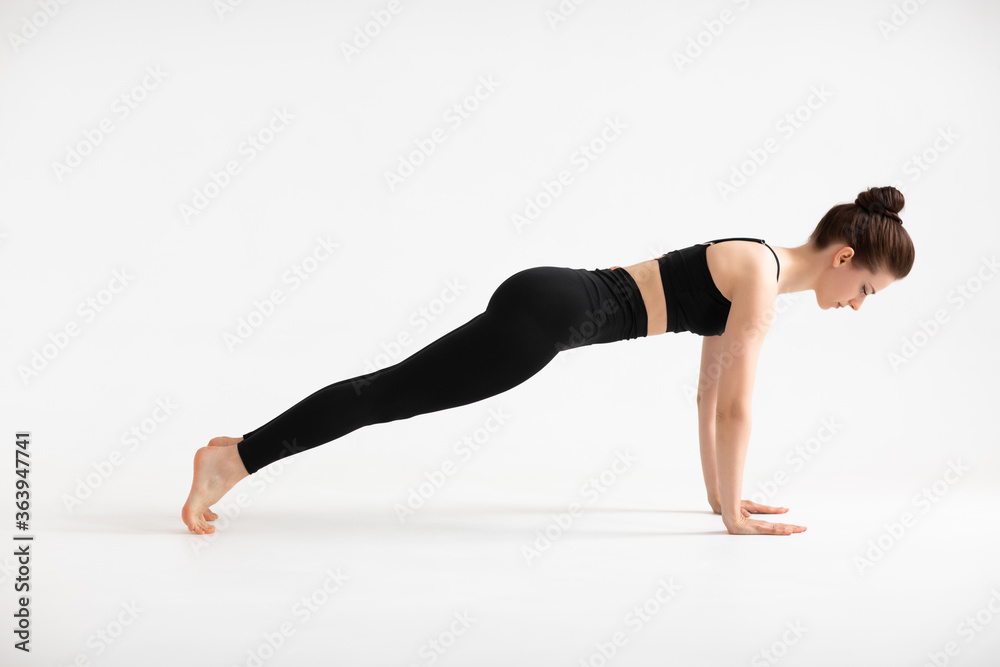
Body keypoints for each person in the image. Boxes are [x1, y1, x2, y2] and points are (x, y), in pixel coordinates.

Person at [182, 186, 914, 536]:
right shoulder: (757, 279)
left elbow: (708, 395)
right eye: (867, 288)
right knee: (386, 396)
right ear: (845, 258)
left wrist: (724, 499)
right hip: (547, 317)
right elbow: (737, 408)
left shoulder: (756, 271)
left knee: (390, 393)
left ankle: (233, 454)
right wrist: (733, 519)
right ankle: (234, 459)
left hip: (551, 302)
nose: (857, 303)